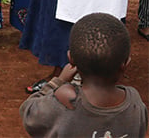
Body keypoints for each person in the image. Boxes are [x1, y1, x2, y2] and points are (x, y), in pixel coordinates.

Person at [20, 13, 148, 137]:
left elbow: (29, 114)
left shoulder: (64, 99)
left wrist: (58, 81)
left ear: (71, 60)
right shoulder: (135, 104)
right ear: (126, 64)